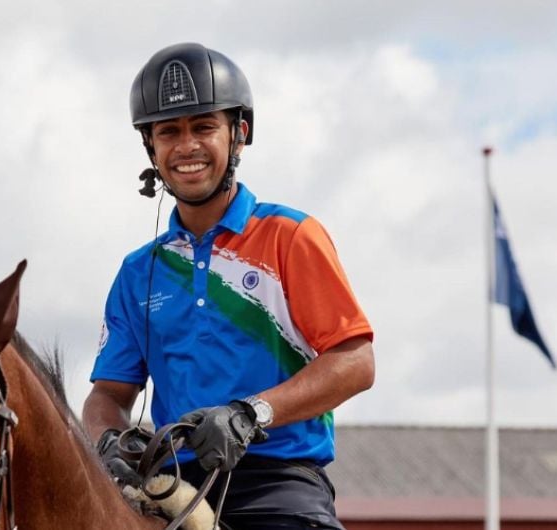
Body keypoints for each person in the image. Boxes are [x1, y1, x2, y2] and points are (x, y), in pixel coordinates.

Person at [82, 42, 375, 530]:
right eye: (168, 132)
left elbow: (356, 362)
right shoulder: (138, 272)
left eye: (203, 127)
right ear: (150, 147)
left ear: (238, 135)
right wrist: (109, 440)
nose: (186, 146)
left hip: (278, 485)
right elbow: (108, 396)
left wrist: (250, 414)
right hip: (172, 486)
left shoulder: (292, 237)